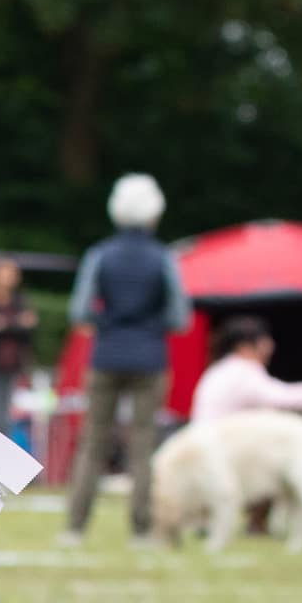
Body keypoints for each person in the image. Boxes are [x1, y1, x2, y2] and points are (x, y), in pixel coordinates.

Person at [60, 173, 191, 546]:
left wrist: (108, 323)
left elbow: (80, 311)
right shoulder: (163, 258)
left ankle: (75, 526)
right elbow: (179, 317)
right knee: (143, 444)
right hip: (151, 357)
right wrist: (151, 325)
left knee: (93, 441)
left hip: (105, 356)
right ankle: (141, 529)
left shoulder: (100, 255)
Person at [189, 316, 302, 426]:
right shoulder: (241, 371)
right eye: (264, 342)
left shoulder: (220, 370)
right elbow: (285, 398)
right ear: (244, 347)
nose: (271, 347)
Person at [0, 257, 39, 434]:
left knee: (5, 415)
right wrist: (16, 324)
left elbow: (29, 327)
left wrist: (4, 325)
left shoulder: (20, 300)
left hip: (12, 364)